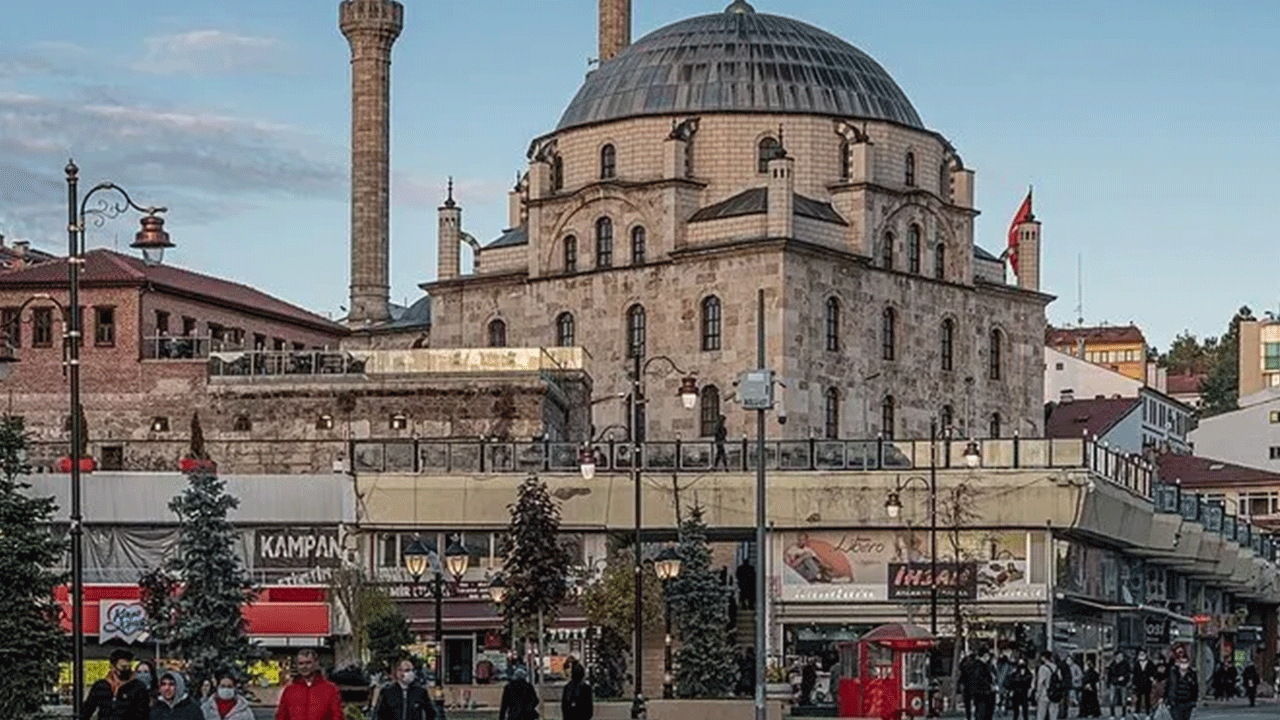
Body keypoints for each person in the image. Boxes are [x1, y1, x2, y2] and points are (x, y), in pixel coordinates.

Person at [82, 648, 152, 720]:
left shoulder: (138, 687)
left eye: (127, 666)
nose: (126, 670)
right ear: (113, 667)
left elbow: (143, 714)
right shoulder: (100, 686)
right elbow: (86, 711)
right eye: (122, 667)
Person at [275, 649, 343, 720]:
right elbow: (281, 717)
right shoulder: (289, 690)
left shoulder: (330, 689)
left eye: (308, 663)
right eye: (301, 663)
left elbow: (337, 716)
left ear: (316, 663)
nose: (304, 666)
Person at [1165, 644, 1197, 720]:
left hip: (1187, 703)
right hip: (1175, 702)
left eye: (1185, 663)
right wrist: (1166, 700)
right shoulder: (1173, 673)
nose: (1184, 665)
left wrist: (1193, 701)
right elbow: (1168, 686)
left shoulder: (1192, 674)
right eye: (1182, 663)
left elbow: (1195, 689)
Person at [1034, 652, 1061, 720]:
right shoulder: (1056, 667)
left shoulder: (1043, 668)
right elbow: (1060, 679)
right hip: (1055, 694)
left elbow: (1040, 682)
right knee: (1053, 715)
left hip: (1044, 694)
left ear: (1044, 657)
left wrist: (1037, 693)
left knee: (1041, 715)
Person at [1105, 652, 1130, 718]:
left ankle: (1123, 715)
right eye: (1119, 656)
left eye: (1121, 656)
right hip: (1114, 683)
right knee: (1112, 699)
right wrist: (1108, 683)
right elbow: (1109, 674)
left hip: (1123, 684)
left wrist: (1124, 677)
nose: (1120, 657)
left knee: (1123, 700)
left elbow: (1128, 673)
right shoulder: (1112, 664)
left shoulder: (1125, 664)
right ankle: (1112, 714)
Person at [1133, 651, 1155, 716]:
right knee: (1138, 698)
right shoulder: (1136, 663)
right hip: (1139, 683)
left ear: (1146, 655)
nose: (1142, 655)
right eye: (1140, 654)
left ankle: (1148, 712)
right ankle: (1137, 711)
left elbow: (1153, 671)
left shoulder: (1150, 663)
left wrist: (1152, 677)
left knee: (1147, 698)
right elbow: (1135, 673)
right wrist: (1134, 683)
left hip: (1147, 683)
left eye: (1143, 654)